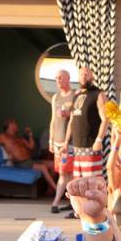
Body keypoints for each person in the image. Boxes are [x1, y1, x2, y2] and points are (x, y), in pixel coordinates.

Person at [62, 65, 108, 183]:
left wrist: (99, 140)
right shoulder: (76, 95)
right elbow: (71, 120)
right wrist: (66, 142)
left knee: (91, 183)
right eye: (81, 74)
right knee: (78, 183)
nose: (84, 76)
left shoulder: (98, 94)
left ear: (92, 76)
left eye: (87, 74)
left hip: (91, 147)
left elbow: (105, 119)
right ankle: (78, 202)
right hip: (76, 147)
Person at [0, 119, 58, 194]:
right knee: (43, 167)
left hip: (30, 161)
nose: (17, 125)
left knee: (54, 164)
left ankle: (49, 190)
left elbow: (31, 146)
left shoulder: (19, 138)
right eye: (15, 123)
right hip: (20, 163)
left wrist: (30, 135)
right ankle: (57, 190)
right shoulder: (2, 137)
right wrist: (5, 155)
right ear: (9, 125)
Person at [49, 69, 75, 214]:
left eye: (60, 78)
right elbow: (53, 119)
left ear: (67, 78)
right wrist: (51, 140)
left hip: (69, 141)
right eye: (56, 78)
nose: (57, 81)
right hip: (58, 140)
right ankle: (72, 202)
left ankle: (56, 202)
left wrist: (68, 113)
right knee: (65, 173)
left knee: (67, 173)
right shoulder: (55, 97)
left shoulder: (74, 95)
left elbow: (78, 116)